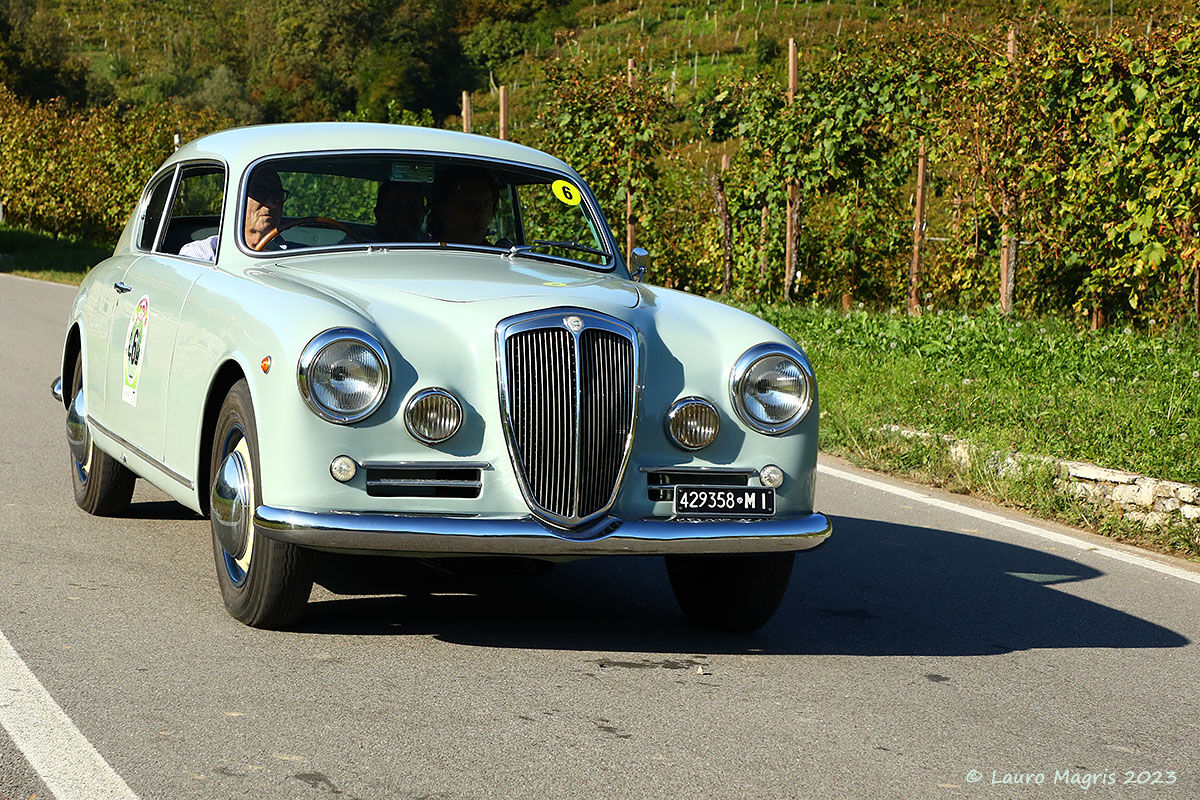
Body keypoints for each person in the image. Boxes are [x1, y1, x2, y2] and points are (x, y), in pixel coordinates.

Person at [179, 169, 289, 261]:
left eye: (277, 195)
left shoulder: (293, 254)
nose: (271, 203)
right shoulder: (201, 254)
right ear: (237, 200)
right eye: (259, 193)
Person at [427, 166, 499, 245]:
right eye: (469, 205)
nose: (481, 214)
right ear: (442, 210)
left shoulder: (496, 252)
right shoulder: (425, 251)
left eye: (487, 205)